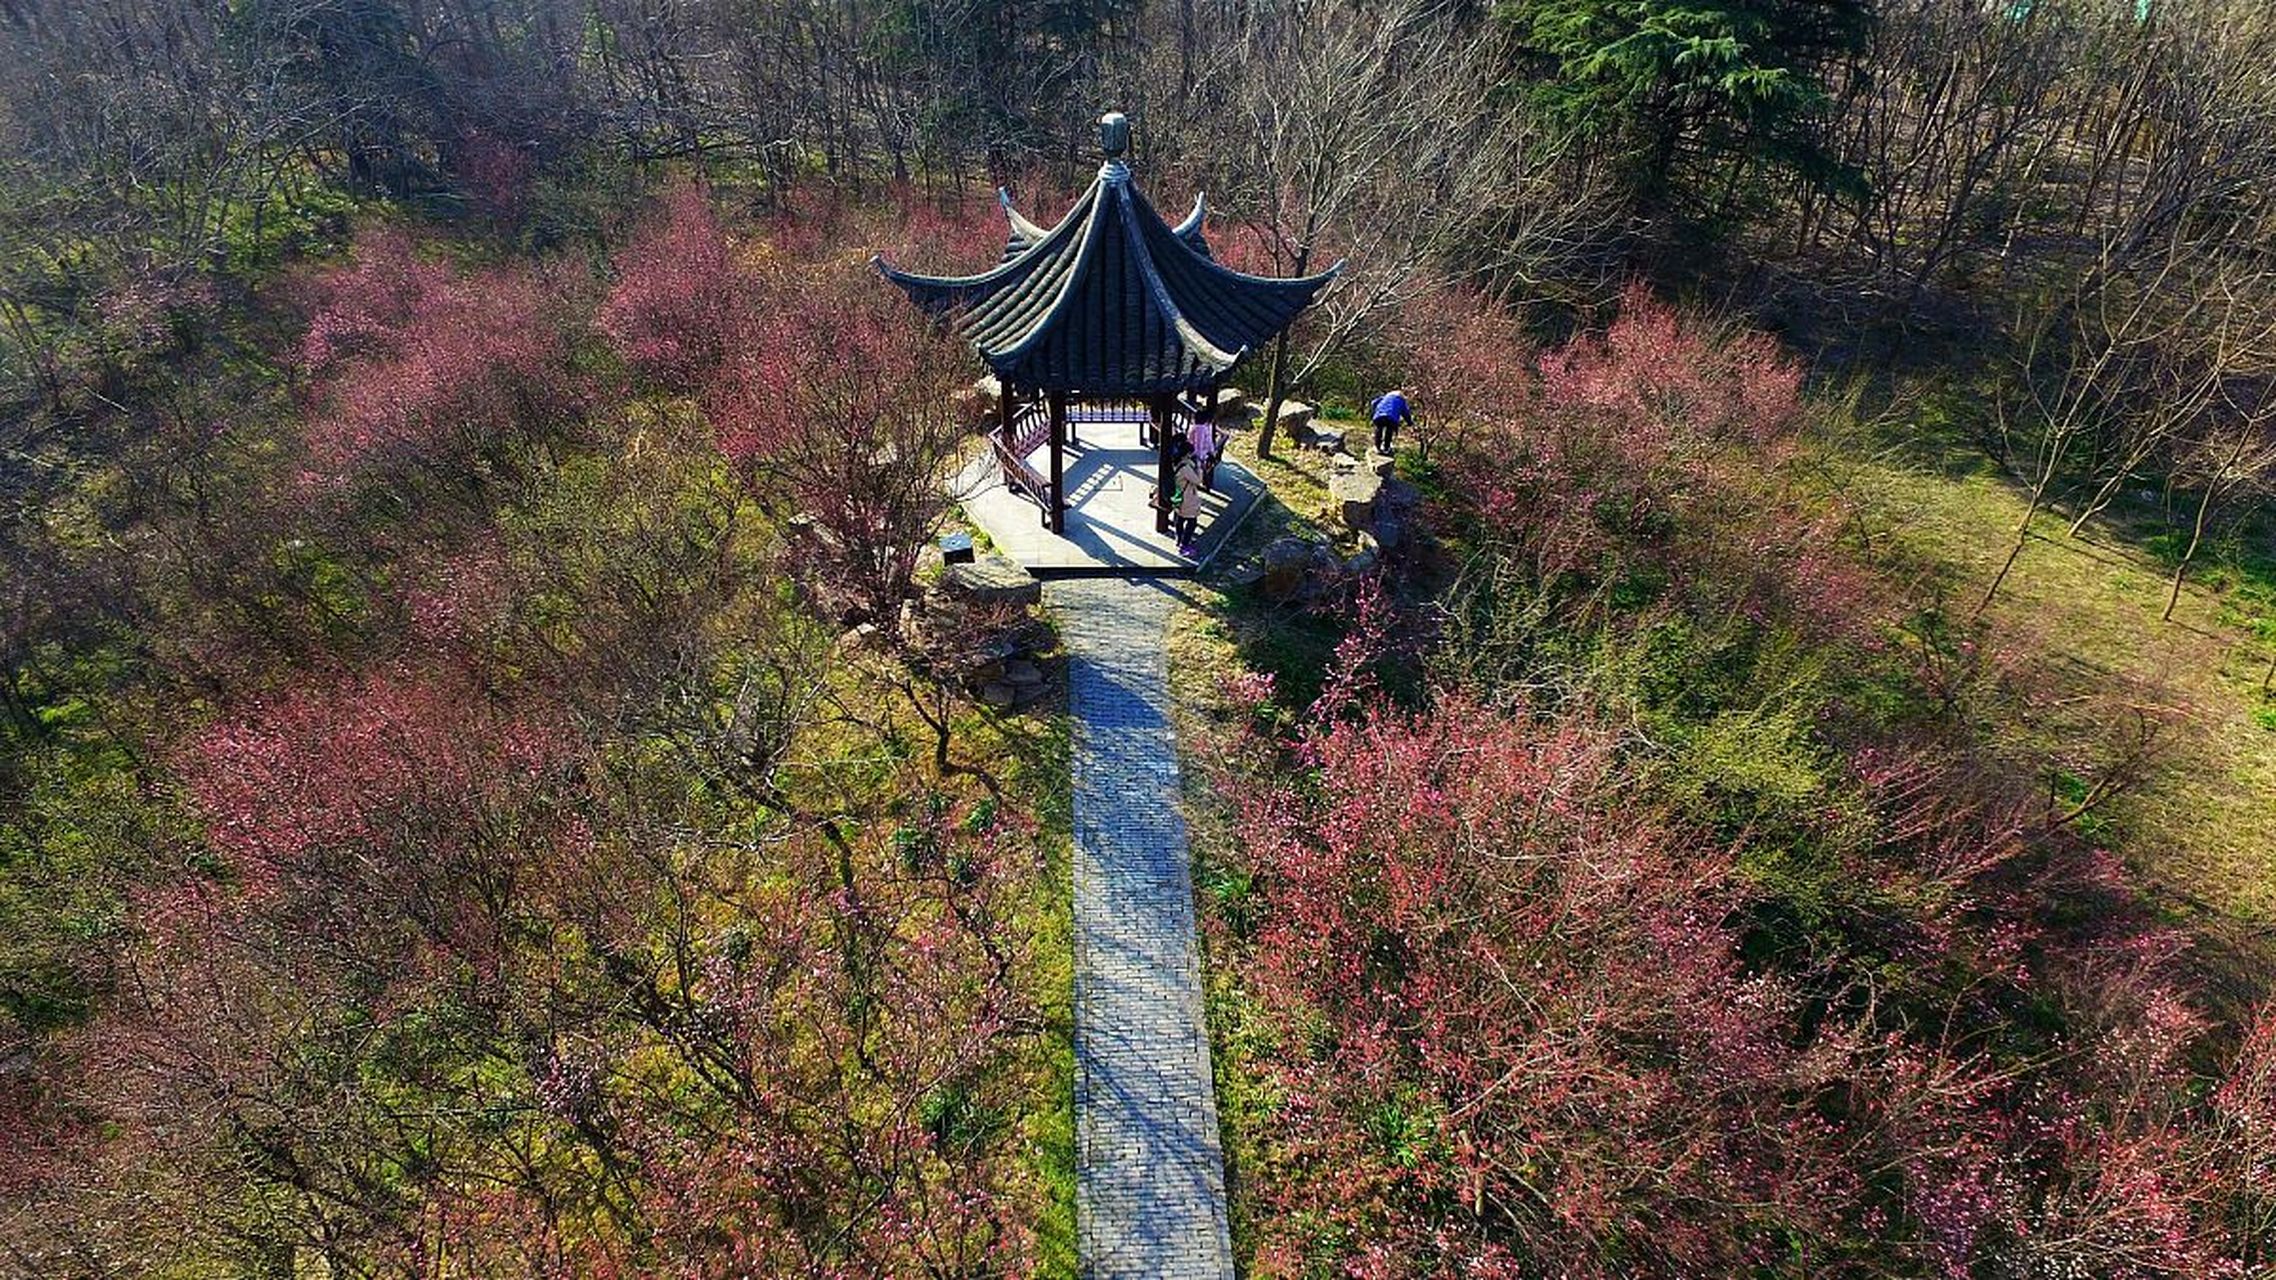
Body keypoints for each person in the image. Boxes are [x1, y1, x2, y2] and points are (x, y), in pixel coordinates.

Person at [1172, 443, 1207, 557]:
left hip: (1178, 496)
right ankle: (1184, 545)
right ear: (1187, 454)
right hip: (1187, 499)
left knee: (1179, 519)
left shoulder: (1177, 463)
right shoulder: (1186, 468)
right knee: (1192, 522)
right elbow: (1197, 481)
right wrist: (1200, 468)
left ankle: (1179, 539)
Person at [1369, 387, 1413, 456]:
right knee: (1389, 431)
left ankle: (1377, 447)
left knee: (1379, 429)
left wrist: (1375, 411)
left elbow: (1373, 403)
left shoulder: (1385, 397)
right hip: (1392, 417)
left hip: (1379, 415)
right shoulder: (1401, 401)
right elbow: (1406, 413)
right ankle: (1386, 448)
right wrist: (1410, 423)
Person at [1187, 407, 1221, 491]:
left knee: (1206, 468)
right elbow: (1199, 444)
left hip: (1204, 452)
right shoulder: (1200, 428)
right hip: (1200, 454)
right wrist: (1200, 457)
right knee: (1201, 469)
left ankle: (1203, 482)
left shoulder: (1202, 427)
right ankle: (1202, 482)